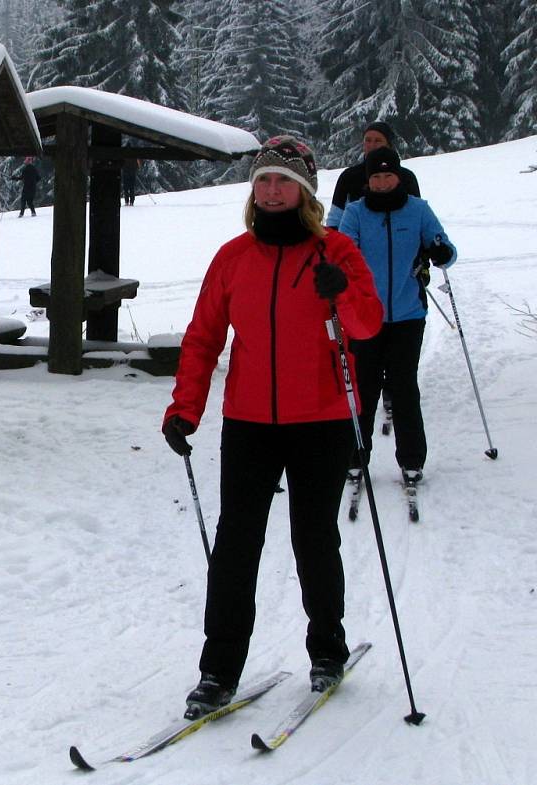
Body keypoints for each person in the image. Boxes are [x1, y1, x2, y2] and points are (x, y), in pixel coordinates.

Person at [161, 136, 383, 717]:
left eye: (284, 181)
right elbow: (205, 337)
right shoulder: (233, 258)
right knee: (236, 546)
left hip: (323, 419)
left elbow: (365, 328)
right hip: (250, 421)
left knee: (315, 538)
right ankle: (218, 670)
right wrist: (186, 406)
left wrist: (345, 294)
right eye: (263, 181)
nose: (272, 190)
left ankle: (327, 650)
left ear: (305, 189)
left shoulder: (337, 251)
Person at [338, 147, 457, 484]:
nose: (382, 182)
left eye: (388, 175)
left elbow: (446, 251)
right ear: (368, 180)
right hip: (365, 317)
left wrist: (440, 251)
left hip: (407, 315)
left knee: (404, 388)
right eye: (376, 176)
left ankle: (411, 460)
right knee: (364, 388)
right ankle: (355, 458)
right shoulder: (356, 213)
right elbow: (342, 251)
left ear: (399, 176)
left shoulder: (418, 210)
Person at [326, 121, 420, 229]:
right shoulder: (349, 176)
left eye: (378, 141)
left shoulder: (406, 177)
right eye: (368, 140)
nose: (372, 145)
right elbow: (335, 219)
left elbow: (417, 215)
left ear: (389, 144)